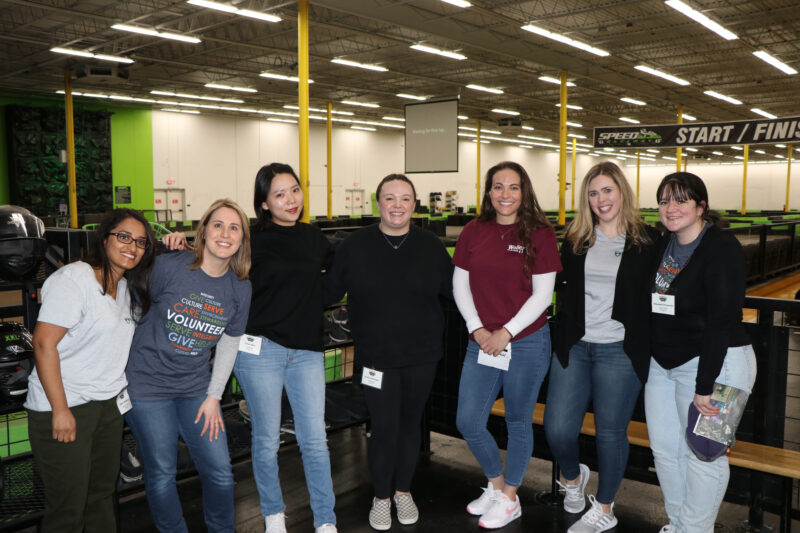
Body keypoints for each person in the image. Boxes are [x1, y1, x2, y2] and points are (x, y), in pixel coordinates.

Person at [210, 163, 337, 533]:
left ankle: (325, 519)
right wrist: (177, 244)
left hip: (307, 352)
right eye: (279, 194)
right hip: (259, 350)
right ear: (264, 203)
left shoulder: (315, 239)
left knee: (315, 440)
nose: (290, 200)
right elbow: (211, 262)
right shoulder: (249, 239)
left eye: (294, 190)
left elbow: (340, 275)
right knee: (266, 440)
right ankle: (273, 515)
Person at [325, 173, 453, 531]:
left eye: (405, 198)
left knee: (410, 425)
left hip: (421, 354)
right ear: (377, 203)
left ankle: (403, 491)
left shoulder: (430, 246)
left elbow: (458, 290)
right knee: (382, 427)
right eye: (390, 198)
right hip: (376, 358)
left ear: (415, 204)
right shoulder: (355, 247)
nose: (397, 205)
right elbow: (328, 291)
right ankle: (381, 497)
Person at [125, 199, 252, 533]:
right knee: (162, 474)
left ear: (242, 240)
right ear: (204, 231)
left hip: (196, 389)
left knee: (220, 471)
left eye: (234, 227)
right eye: (218, 225)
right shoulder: (171, 267)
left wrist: (213, 396)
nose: (225, 233)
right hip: (147, 388)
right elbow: (131, 305)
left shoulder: (240, 287)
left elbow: (229, 341)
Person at [544, 161, 658, 533]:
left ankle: (605, 508)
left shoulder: (648, 240)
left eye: (607, 190)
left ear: (622, 191)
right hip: (575, 346)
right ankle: (574, 479)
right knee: (558, 429)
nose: (600, 199)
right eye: (593, 193)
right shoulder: (577, 239)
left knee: (610, 432)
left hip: (619, 351)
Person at [26, 208, 156, 532]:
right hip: (66, 405)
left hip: (108, 406)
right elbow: (43, 344)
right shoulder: (75, 279)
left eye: (140, 242)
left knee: (100, 496)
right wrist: (60, 409)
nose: (132, 247)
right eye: (124, 237)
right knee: (67, 509)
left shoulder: (126, 289)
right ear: (105, 237)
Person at [645, 172, 756, 533]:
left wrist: (704, 384)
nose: (670, 207)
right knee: (666, 453)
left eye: (680, 200)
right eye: (664, 200)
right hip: (664, 365)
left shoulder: (721, 246)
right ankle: (679, 525)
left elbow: (722, 320)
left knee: (705, 455)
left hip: (719, 365)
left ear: (701, 205)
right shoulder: (663, 243)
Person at [453, 161, 561, 529]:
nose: (505, 194)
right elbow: (460, 285)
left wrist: (507, 332)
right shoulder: (473, 230)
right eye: (497, 187)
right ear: (488, 192)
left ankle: (511, 498)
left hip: (527, 342)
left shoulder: (540, 233)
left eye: (513, 187)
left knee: (517, 421)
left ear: (524, 191)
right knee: (468, 420)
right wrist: (478, 329)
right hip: (481, 341)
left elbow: (543, 295)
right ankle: (496, 486)